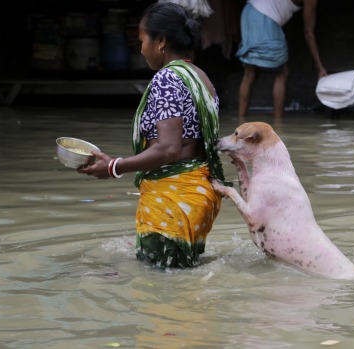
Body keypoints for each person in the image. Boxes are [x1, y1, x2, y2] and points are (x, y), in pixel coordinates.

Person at [78, 2, 227, 268]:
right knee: (183, 286)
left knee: (158, 292)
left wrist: (113, 167)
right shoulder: (201, 77)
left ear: (160, 41)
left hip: (173, 196)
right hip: (198, 194)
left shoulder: (167, 78)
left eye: (142, 40)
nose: (141, 48)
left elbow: (168, 149)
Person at [236, 0, 327, 119]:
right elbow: (309, 33)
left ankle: (239, 121)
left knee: (250, 72)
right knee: (281, 72)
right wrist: (319, 67)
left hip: (249, 12)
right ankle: (278, 124)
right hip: (265, 17)